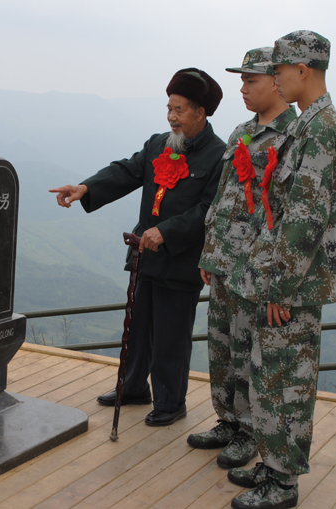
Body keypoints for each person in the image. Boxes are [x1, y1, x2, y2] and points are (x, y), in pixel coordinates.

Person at [49, 68, 226, 426]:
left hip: (180, 260)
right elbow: (127, 171)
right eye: (169, 108)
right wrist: (86, 188)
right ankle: (132, 388)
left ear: (200, 113)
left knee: (170, 336)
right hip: (145, 253)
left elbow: (209, 210)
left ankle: (170, 401)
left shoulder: (218, 157)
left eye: (178, 110)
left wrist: (167, 231)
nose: (171, 117)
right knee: (136, 327)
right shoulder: (159, 143)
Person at [225, 31, 336, 509]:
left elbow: (306, 218)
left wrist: (279, 287)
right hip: (279, 276)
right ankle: (271, 464)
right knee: (267, 373)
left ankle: (283, 482)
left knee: (286, 381)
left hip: (291, 284)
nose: (275, 77)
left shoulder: (322, 128)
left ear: (304, 70)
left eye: (280, 70)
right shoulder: (309, 125)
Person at [186, 48, 297, 472]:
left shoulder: (292, 137)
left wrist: (275, 275)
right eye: (242, 80)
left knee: (252, 353)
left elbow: (287, 213)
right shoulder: (241, 133)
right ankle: (228, 420)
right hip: (226, 263)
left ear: (276, 80)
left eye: (251, 80)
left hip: (259, 268)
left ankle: (251, 430)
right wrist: (210, 252)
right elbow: (222, 199)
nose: (242, 88)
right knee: (222, 347)